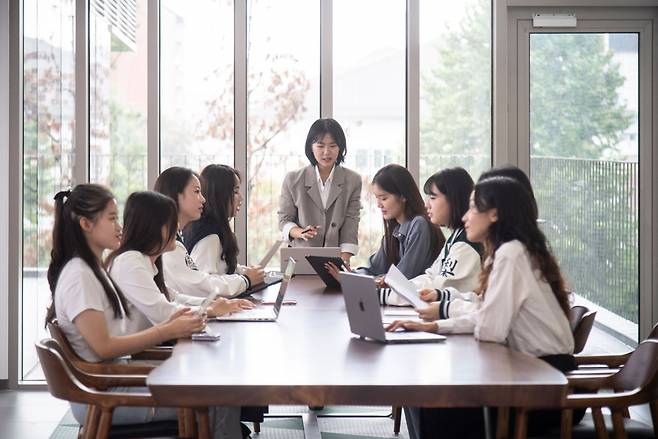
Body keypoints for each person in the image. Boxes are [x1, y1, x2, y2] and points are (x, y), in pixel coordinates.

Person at [45, 184, 242, 438]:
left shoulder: (91, 269)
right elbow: (104, 347)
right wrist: (165, 331)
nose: (120, 227)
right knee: (220, 392)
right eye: (113, 218)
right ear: (86, 224)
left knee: (217, 381)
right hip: (106, 393)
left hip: (115, 380)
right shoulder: (80, 276)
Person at [387, 176, 575, 438]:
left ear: (495, 214)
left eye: (474, 208)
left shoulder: (511, 254)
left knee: (435, 407)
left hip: (545, 386)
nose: (466, 216)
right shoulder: (507, 252)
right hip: (531, 376)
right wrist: (433, 325)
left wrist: (441, 318)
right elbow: (486, 317)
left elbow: (489, 328)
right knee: (426, 400)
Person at [107, 191, 253, 332]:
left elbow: (173, 297)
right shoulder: (130, 261)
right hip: (135, 355)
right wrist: (210, 310)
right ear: (153, 227)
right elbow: (164, 311)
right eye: (171, 222)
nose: (176, 227)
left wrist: (216, 304)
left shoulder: (147, 261)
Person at [155, 166, 264, 298]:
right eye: (196, 192)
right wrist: (245, 280)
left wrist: (245, 274)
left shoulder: (177, 238)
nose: (203, 199)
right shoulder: (171, 245)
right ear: (176, 195)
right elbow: (198, 286)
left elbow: (180, 294)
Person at [385, 167, 482, 313]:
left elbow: (438, 290)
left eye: (433, 197)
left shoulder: (466, 244)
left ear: (453, 199)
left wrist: (385, 295)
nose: (426, 205)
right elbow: (431, 277)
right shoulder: (455, 238)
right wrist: (394, 289)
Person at [354, 164, 444, 301]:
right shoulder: (394, 230)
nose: (379, 205)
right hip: (403, 302)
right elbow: (373, 269)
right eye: (377, 198)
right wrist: (351, 276)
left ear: (402, 196)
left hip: (421, 303)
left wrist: (375, 281)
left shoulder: (419, 225)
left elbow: (403, 277)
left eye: (384, 198)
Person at [278, 118, 362, 264]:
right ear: (311, 147)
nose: (326, 152)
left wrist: (343, 261)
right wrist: (300, 232)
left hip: (335, 259)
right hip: (300, 258)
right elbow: (284, 220)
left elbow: (351, 222)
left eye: (333, 146)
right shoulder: (293, 179)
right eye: (320, 145)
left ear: (340, 148)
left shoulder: (352, 180)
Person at [184, 164, 264, 286]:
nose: (241, 198)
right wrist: (246, 280)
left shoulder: (213, 227)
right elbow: (205, 284)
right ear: (219, 195)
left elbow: (223, 268)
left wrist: (247, 272)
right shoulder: (209, 236)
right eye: (236, 192)